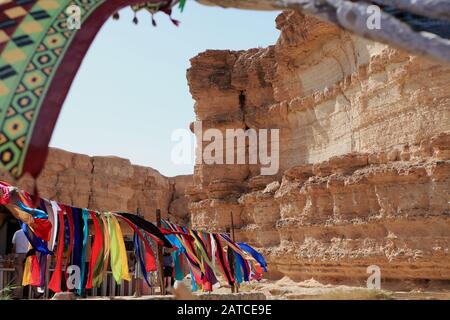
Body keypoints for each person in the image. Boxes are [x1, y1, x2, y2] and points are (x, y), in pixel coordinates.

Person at [11, 228, 29, 299]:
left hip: (19, 256)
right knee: (30, 276)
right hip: (28, 256)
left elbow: (14, 248)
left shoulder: (17, 232)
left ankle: (16, 295)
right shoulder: (32, 232)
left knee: (18, 277)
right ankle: (37, 293)